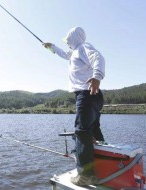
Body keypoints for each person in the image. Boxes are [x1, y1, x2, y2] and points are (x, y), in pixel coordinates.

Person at [43, 27, 105, 186]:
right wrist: (52, 47)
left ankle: (85, 175)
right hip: (93, 95)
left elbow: (98, 57)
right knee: (93, 130)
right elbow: (64, 54)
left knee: (82, 132)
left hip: (86, 94)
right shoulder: (75, 52)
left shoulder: (84, 47)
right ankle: (103, 164)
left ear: (73, 38)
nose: (68, 44)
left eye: (68, 41)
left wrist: (97, 76)